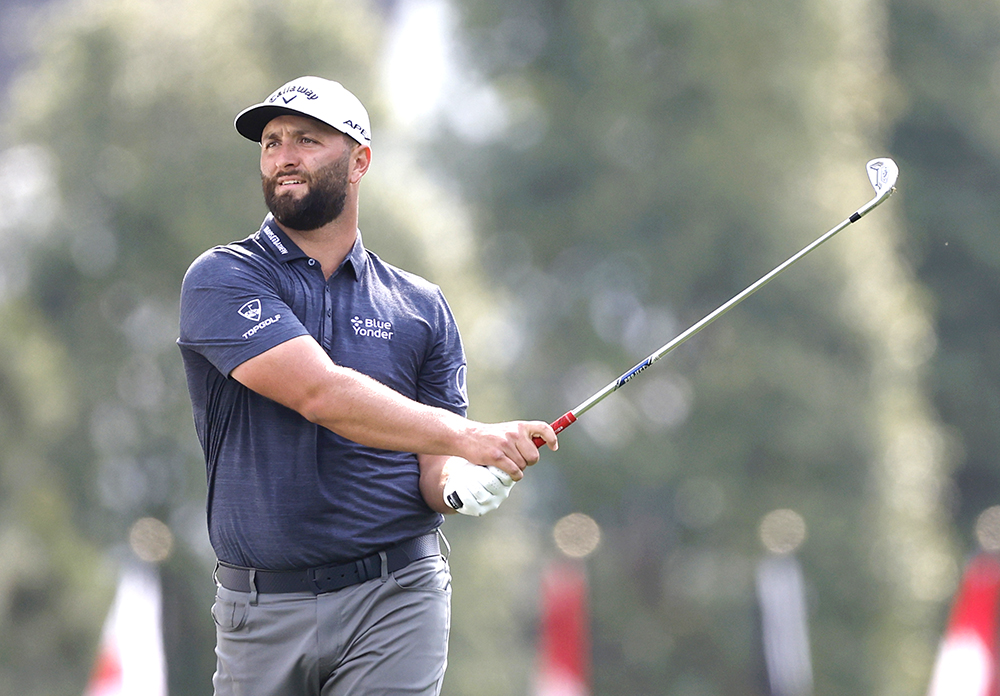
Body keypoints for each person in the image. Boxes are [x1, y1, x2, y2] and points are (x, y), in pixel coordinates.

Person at [177, 76, 558, 696]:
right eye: (272, 143)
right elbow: (318, 394)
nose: (284, 155)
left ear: (360, 161)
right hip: (259, 607)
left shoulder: (420, 307)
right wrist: (472, 437)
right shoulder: (223, 278)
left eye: (307, 139)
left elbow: (433, 475)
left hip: (397, 597)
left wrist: (467, 480)